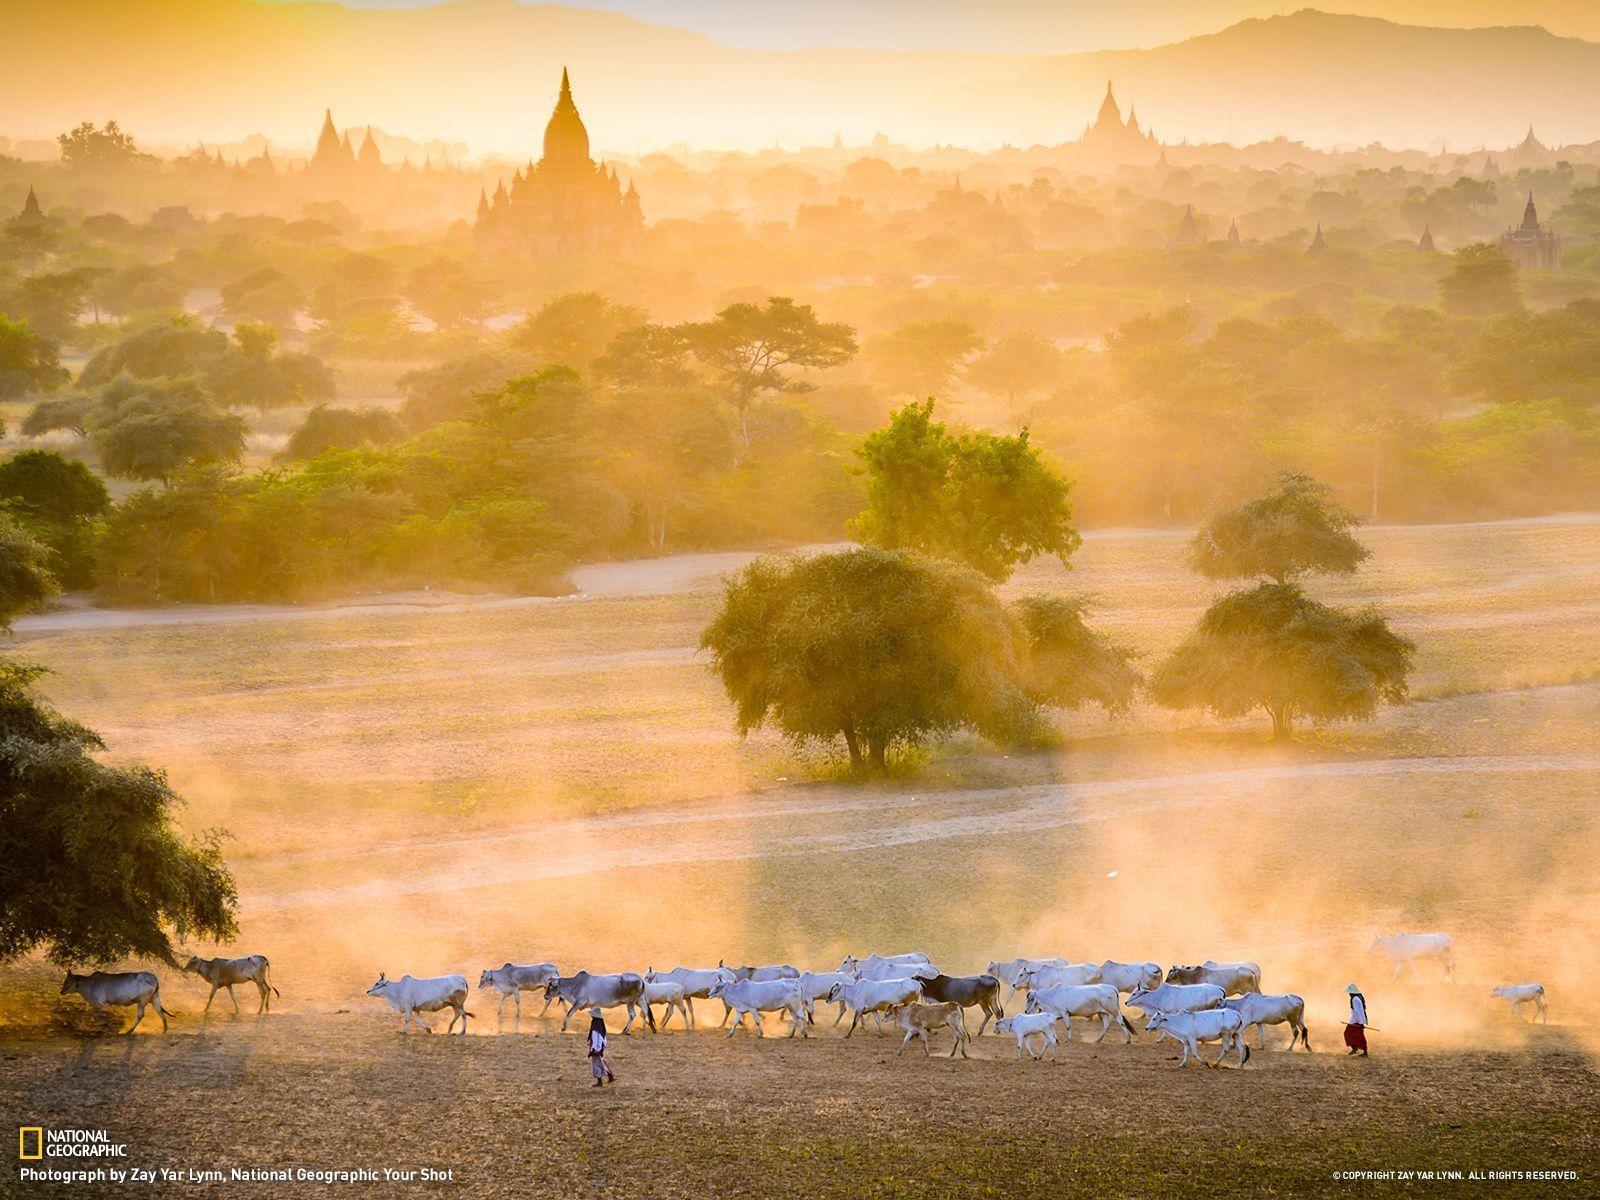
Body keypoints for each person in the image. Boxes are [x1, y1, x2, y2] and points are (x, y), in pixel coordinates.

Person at [587, 1008, 615, 1086]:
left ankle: (600, 1082)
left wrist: (594, 1049)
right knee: (600, 1062)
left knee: (596, 1064)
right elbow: (603, 1038)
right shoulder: (600, 1024)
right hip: (599, 1047)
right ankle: (610, 1075)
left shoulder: (596, 1026)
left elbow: (596, 1039)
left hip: (596, 1048)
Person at [1344, 983, 1369, 1056]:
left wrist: (1360, 1022)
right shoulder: (1358, 997)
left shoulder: (1355, 999)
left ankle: (1356, 1049)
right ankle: (1362, 1051)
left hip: (1356, 1021)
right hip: (1358, 1020)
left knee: (1348, 1034)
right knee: (1359, 1036)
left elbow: (1357, 1011)